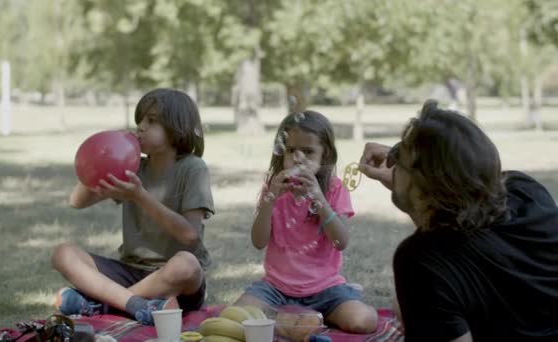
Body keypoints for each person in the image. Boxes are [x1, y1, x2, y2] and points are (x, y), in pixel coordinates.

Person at [358, 100, 558, 341]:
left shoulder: (418, 261)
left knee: (410, 302)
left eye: (399, 156)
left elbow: (439, 256)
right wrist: (411, 184)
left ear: (426, 188)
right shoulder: (525, 190)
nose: (392, 159)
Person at [51, 88, 214, 325]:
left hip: (175, 280)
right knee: (63, 254)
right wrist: (101, 157)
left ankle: (105, 305)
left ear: (176, 127)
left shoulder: (193, 168)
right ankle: (137, 305)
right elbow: (77, 201)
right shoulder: (133, 166)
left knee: (187, 265)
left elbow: (190, 236)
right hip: (130, 271)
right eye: (139, 121)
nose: (141, 127)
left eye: (151, 120)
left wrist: (140, 196)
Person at [235, 110, 378, 333]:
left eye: (309, 152)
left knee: (363, 321)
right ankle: (301, 320)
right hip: (276, 288)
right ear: (281, 153)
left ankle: (297, 318)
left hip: (325, 289)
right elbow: (258, 241)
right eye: (292, 150)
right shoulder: (273, 190)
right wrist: (270, 199)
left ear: (325, 155)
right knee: (237, 316)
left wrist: (318, 198)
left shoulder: (334, 188)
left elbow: (341, 241)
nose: (298, 158)